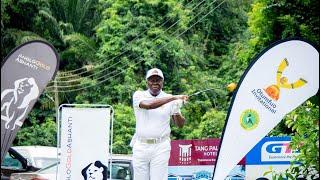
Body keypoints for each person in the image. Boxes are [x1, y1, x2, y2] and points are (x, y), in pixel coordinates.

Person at [130, 68, 188, 180]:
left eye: (158, 80)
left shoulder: (169, 98)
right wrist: (174, 98)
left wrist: (176, 109)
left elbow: (180, 125)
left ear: (163, 82)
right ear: (147, 82)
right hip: (141, 145)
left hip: (161, 146)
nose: (155, 82)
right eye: (152, 80)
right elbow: (149, 105)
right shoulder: (139, 95)